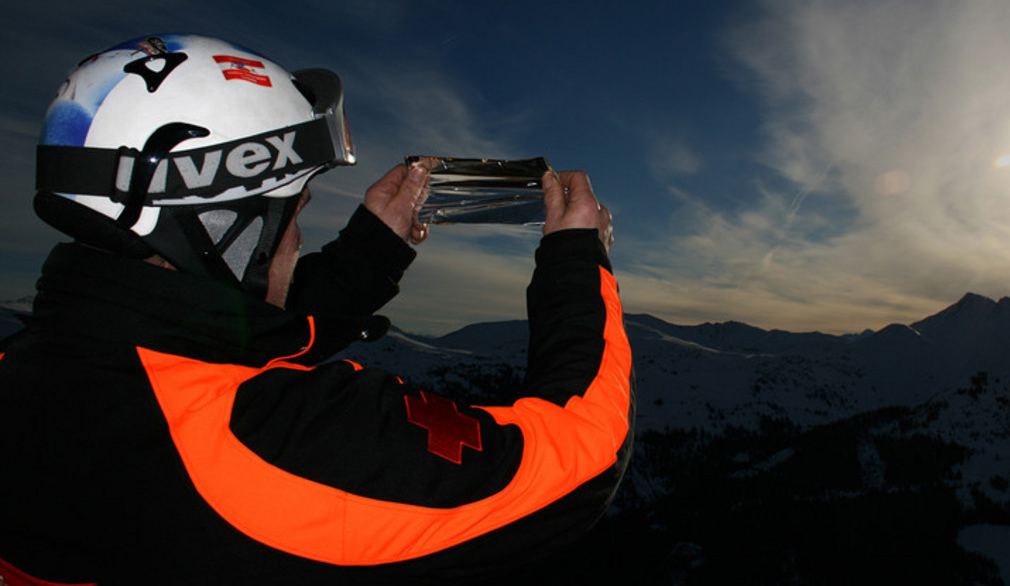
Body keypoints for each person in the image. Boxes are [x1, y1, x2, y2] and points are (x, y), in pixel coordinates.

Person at [0, 34, 633, 584]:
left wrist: (373, 249)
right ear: (223, 226)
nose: (297, 239)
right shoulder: (262, 445)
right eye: (294, 212)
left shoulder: (43, 364)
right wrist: (578, 259)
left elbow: (223, 338)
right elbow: (580, 457)